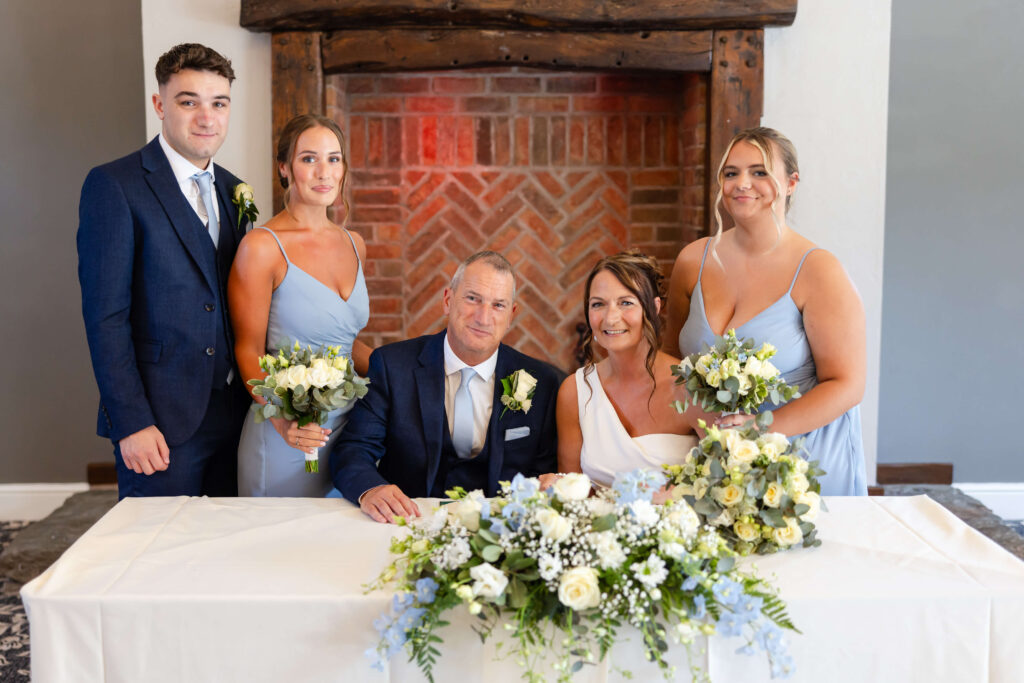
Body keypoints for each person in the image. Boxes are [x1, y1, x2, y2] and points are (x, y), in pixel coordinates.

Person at [78, 44, 253, 499]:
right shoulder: (115, 185)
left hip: (236, 417)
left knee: (226, 553)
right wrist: (132, 422)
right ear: (159, 104)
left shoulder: (235, 190)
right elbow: (106, 319)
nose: (206, 118)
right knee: (157, 559)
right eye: (188, 101)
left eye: (219, 103)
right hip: (158, 422)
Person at [664, 127, 867, 496]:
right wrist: (698, 419)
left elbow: (847, 385)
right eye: (731, 173)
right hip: (718, 455)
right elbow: (669, 360)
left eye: (759, 172)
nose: (743, 183)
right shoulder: (692, 260)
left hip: (803, 459)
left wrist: (760, 427)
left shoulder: (818, 270)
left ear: (790, 183)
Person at [332, 251, 563, 523]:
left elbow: (545, 470)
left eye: (498, 305)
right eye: (472, 298)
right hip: (409, 522)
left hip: (500, 530)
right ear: (447, 300)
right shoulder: (393, 366)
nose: (483, 317)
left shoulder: (542, 381)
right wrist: (372, 488)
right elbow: (354, 448)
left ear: (511, 314)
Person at [229, 114, 371, 497]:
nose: (324, 172)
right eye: (309, 159)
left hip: (349, 434)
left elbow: (344, 340)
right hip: (287, 434)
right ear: (284, 168)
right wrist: (284, 420)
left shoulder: (354, 243)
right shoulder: (261, 247)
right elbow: (247, 349)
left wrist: (404, 374)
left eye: (334, 159)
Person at [551, 252, 698, 488]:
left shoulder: (690, 384)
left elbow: (725, 481)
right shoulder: (574, 392)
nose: (610, 318)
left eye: (626, 303)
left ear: (654, 307)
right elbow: (571, 493)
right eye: (598, 304)